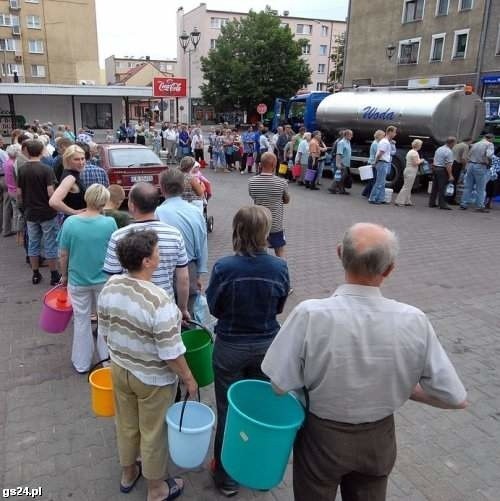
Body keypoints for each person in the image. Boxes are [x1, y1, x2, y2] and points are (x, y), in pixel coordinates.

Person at [262, 222, 468, 501]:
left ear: (339, 254)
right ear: (389, 269)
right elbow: (455, 398)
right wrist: (406, 389)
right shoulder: (414, 320)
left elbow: (277, 386)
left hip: (322, 436)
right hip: (378, 439)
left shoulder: (310, 314)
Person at [98, 230, 197, 501]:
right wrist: (189, 378)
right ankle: (156, 489)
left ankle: (128, 473)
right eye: (156, 252)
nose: (159, 256)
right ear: (146, 261)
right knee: (153, 432)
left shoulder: (111, 285)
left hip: (120, 369)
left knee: (127, 424)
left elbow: (105, 330)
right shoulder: (159, 300)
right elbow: (170, 352)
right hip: (153, 379)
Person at [206, 206, 290, 497]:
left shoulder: (225, 267)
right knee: (258, 411)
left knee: (227, 409)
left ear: (237, 230)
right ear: (265, 233)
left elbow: (214, 307)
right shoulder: (279, 267)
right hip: (267, 345)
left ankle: (226, 477)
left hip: (230, 344)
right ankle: (255, 470)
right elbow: (280, 306)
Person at [103, 182, 191, 322]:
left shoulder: (119, 236)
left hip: (130, 309)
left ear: (132, 205)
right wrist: (182, 308)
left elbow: (110, 279)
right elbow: (183, 278)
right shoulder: (174, 234)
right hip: (165, 307)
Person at [58, 184, 117, 373]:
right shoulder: (109, 223)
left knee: (81, 320)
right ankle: (107, 361)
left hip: (77, 280)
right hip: (104, 280)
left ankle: (81, 362)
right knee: (105, 321)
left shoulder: (70, 223)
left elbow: (63, 254)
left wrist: (64, 275)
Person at [155, 169, 208, 314]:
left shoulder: (158, 212)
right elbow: (202, 244)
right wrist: (199, 273)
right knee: (189, 313)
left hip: (164, 269)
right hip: (190, 267)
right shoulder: (196, 212)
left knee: (165, 313)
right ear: (183, 187)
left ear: (162, 187)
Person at [16, 139, 60, 285]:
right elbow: (50, 192)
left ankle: (35, 274)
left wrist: (22, 208)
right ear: (41, 151)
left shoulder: (22, 169)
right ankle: (54, 275)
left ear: (27, 152)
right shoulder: (46, 169)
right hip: (47, 212)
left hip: (30, 212)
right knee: (50, 242)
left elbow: (19, 192)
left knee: (33, 243)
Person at [248, 152, 290, 259]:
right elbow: (286, 200)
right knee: (280, 250)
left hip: (259, 222)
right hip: (275, 224)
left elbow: (253, 197)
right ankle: (283, 271)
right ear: (274, 165)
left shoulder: (252, 181)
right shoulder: (282, 183)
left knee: (260, 251)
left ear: (261, 164)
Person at [460, 133, 495, 213]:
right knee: (481, 188)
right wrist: (487, 161)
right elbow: (489, 155)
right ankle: (480, 206)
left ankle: (463, 204)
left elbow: (468, 155)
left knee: (468, 186)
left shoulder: (475, 144)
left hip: (470, 165)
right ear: (491, 138)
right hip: (480, 166)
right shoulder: (489, 144)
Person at [49, 145, 87, 217]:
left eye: (83, 158)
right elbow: (53, 202)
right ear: (68, 160)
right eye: (76, 159)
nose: (81, 162)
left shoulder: (73, 174)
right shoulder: (70, 178)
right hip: (75, 221)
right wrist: (74, 212)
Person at [369, 126, 397, 204]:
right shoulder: (385, 142)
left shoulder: (385, 141)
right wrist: (375, 162)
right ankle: (373, 198)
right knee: (379, 182)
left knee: (382, 182)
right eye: (394, 132)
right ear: (390, 132)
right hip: (382, 163)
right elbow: (380, 153)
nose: (395, 134)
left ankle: (380, 199)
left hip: (383, 163)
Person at [395, 139, 424, 207]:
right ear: (418, 145)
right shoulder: (415, 153)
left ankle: (407, 200)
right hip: (411, 171)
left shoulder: (410, 151)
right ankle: (399, 201)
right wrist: (421, 160)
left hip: (408, 169)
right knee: (407, 187)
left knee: (408, 186)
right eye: (420, 145)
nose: (421, 146)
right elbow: (415, 163)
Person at [429, 136, 456, 210]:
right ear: (452, 143)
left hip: (436, 168)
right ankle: (442, 204)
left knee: (435, 187)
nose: (454, 145)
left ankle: (432, 202)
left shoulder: (439, 149)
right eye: (454, 143)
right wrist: (450, 175)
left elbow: (434, 159)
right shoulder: (449, 151)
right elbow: (448, 164)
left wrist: (433, 168)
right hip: (442, 170)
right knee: (442, 188)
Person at [3, 144, 22, 241]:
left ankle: (16, 232)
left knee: (15, 212)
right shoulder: (14, 164)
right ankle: (20, 232)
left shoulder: (6, 162)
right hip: (15, 190)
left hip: (10, 189)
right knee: (19, 213)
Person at [329, 129, 353, 195]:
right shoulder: (341, 143)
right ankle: (332, 187)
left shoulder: (348, 142)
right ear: (346, 135)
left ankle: (341, 189)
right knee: (340, 176)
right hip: (342, 162)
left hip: (347, 162)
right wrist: (338, 163)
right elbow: (338, 154)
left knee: (343, 177)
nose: (352, 136)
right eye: (351, 135)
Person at [448, 137, 471, 205]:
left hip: (452, 163)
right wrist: (464, 167)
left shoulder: (457, 145)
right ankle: (452, 200)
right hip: (457, 164)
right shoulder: (466, 146)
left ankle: (447, 197)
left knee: (450, 182)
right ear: (469, 141)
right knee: (454, 182)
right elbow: (463, 158)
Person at [362, 130, 385, 198]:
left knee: (372, 179)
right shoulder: (375, 144)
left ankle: (365, 192)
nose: (383, 137)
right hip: (372, 163)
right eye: (383, 136)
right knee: (373, 179)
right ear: (379, 136)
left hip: (372, 162)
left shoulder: (376, 143)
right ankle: (368, 193)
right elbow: (377, 154)